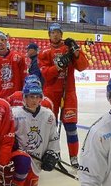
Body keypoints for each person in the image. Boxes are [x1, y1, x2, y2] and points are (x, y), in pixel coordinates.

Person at [38, 23, 88, 167]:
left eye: (57, 32)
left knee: (71, 126)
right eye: (52, 32)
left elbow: (83, 66)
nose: (55, 35)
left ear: (61, 34)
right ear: (49, 35)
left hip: (69, 92)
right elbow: (46, 75)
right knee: (50, 126)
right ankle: (53, 153)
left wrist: (77, 51)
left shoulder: (69, 48)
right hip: (50, 93)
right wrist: (58, 66)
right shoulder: (44, 52)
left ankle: (73, 157)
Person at [9, 79, 60, 186]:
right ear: (24, 98)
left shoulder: (48, 114)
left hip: (37, 160)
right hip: (20, 157)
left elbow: (53, 137)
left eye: (37, 97)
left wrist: (52, 154)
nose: (34, 100)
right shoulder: (14, 113)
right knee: (22, 162)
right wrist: (11, 142)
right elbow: (5, 136)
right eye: (31, 96)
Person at [0, 31, 27, 100]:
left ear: (6, 41)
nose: (1, 42)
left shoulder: (18, 57)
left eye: (2, 40)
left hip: (16, 98)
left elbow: (24, 77)